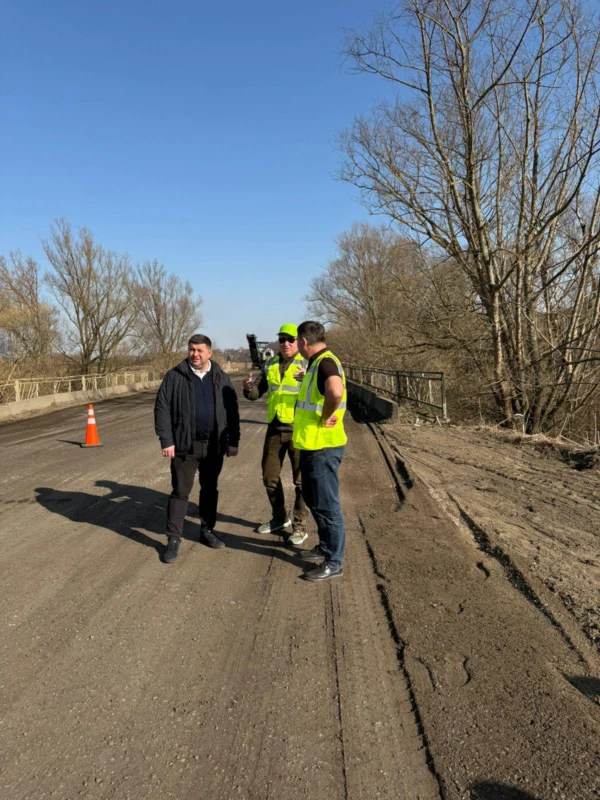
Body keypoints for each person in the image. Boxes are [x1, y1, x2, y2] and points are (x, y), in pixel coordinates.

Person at [154, 334, 240, 563]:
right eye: (192, 349)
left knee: (210, 489)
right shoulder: (175, 376)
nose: (195, 354)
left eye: (200, 350)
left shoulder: (221, 377)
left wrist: (234, 441)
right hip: (185, 446)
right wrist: (166, 440)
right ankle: (173, 539)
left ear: (209, 353)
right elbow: (162, 408)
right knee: (180, 492)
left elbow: (232, 411)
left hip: (214, 446)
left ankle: (207, 530)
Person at [243, 323, 309, 545]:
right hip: (274, 427)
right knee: (269, 476)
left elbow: (321, 392)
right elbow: (256, 394)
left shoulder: (307, 364)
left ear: (299, 341)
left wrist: (307, 379)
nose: (286, 344)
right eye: (282, 339)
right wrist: (248, 388)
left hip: (298, 429)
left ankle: (300, 527)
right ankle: (280, 518)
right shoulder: (270, 364)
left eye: (291, 339)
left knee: (301, 482)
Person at [293, 321, 347, 582]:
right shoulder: (316, 365)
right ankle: (325, 548)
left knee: (327, 505)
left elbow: (335, 392)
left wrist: (327, 415)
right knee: (315, 501)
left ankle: (334, 562)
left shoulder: (325, 362)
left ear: (304, 342)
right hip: (312, 445)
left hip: (323, 447)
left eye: (298, 344)